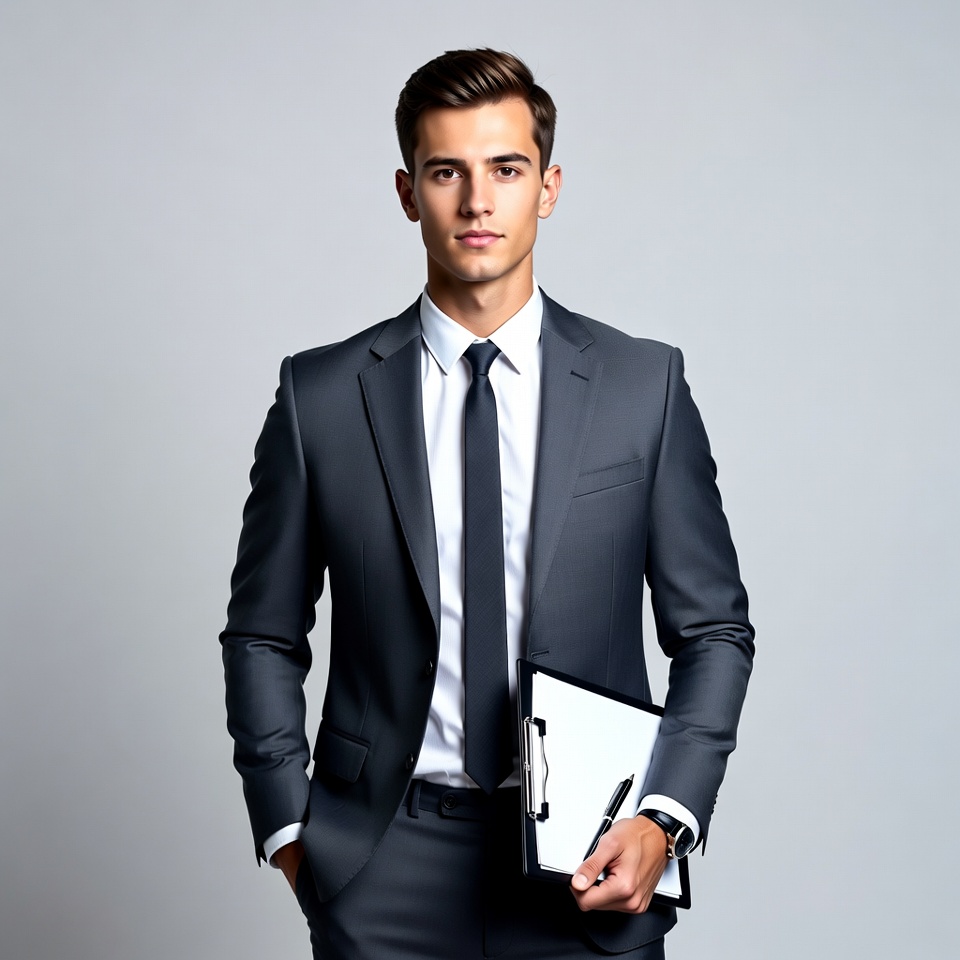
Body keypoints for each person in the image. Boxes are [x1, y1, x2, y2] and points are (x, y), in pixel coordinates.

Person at [221, 48, 754, 960]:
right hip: (379, 864)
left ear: (547, 187)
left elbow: (713, 633)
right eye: (446, 172)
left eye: (505, 170)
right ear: (406, 191)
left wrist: (665, 817)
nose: (477, 201)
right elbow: (263, 633)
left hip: (587, 865)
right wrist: (292, 833)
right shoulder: (321, 398)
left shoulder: (641, 387)